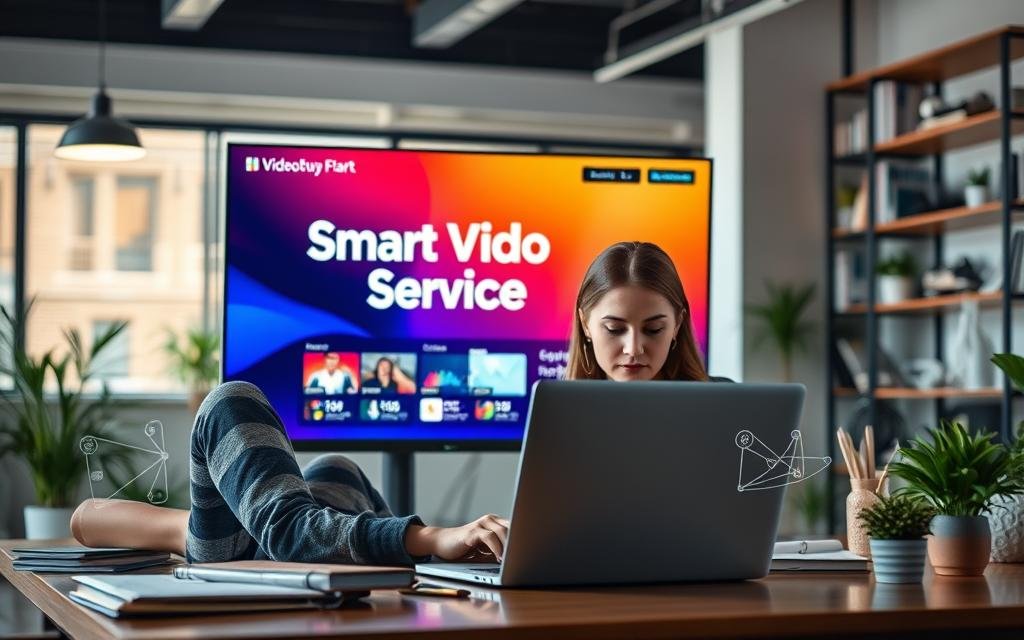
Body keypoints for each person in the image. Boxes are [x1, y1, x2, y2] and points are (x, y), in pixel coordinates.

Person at [71, 241, 713, 564]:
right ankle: (195, 532)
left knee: (336, 474)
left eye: (654, 329)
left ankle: (191, 532)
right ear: (584, 323)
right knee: (267, 437)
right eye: (615, 329)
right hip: (284, 529)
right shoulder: (569, 413)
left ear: (679, 323)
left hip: (288, 525)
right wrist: (434, 539)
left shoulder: (724, 414)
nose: (634, 348)